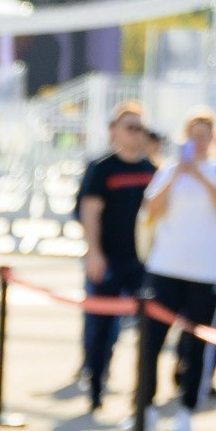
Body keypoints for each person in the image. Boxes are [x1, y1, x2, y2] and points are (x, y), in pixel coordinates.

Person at [133, 109, 216, 431]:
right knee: (151, 342)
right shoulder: (168, 170)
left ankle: (186, 410)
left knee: (196, 347)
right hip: (166, 268)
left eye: (204, 135)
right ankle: (145, 408)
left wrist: (200, 176)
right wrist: (178, 174)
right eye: (192, 135)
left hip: (207, 272)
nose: (198, 142)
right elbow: (151, 210)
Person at [74, 108, 155, 414]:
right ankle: (95, 384)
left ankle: (142, 394)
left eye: (139, 127)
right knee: (100, 328)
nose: (136, 133)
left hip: (142, 264)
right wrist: (93, 252)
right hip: (109, 260)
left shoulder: (152, 169)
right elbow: (90, 211)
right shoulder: (102, 168)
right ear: (116, 131)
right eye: (129, 127)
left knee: (147, 331)